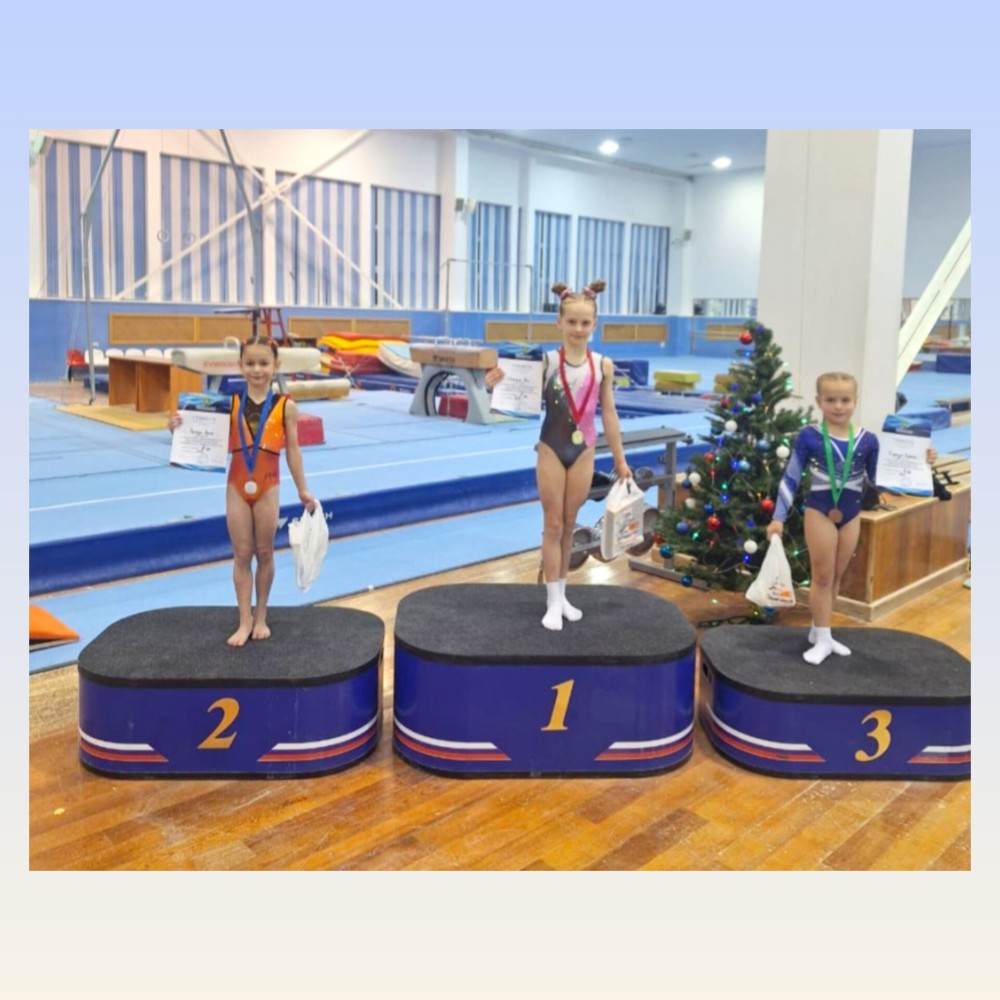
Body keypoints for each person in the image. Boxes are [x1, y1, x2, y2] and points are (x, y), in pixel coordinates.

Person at [486, 280, 631, 630]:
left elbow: (609, 414)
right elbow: (517, 395)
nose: (578, 329)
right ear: (559, 323)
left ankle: (562, 595)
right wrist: (495, 386)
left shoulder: (603, 365)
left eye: (585, 322)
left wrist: (621, 460)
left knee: (569, 524)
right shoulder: (546, 362)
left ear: (595, 325)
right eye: (572, 322)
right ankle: (551, 601)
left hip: (584, 451)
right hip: (551, 447)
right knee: (552, 525)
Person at [765, 372, 935, 665]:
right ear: (819, 401)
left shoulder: (868, 441)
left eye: (845, 400)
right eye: (831, 399)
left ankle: (820, 631)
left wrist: (921, 462)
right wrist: (778, 517)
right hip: (820, 512)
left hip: (852, 514)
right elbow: (791, 477)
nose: (838, 406)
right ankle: (824, 638)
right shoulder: (810, 437)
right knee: (822, 576)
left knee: (836, 578)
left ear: (855, 401)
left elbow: (881, 480)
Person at [169, 334, 317, 646]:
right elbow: (202, 433)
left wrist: (303, 489)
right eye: (250, 363)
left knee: (264, 552)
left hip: (268, 487)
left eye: (264, 363)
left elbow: (293, 450)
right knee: (241, 554)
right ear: (240, 365)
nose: (257, 369)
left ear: (276, 365)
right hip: (236, 487)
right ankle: (244, 619)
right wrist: (179, 426)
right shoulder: (228, 404)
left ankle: (261, 615)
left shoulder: (286, 406)